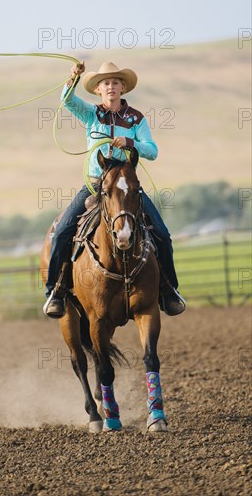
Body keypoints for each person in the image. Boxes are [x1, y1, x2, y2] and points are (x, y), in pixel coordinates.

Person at [43, 61, 186, 319]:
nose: (111, 86)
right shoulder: (91, 114)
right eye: (105, 83)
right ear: (98, 89)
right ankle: (56, 291)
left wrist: (131, 142)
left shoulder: (136, 119)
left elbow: (152, 151)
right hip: (96, 186)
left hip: (127, 187)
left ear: (123, 87)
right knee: (62, 231)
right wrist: (73, 77)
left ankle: (169, 290)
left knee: (162, 234)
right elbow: (67, 100)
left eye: (115, 82)